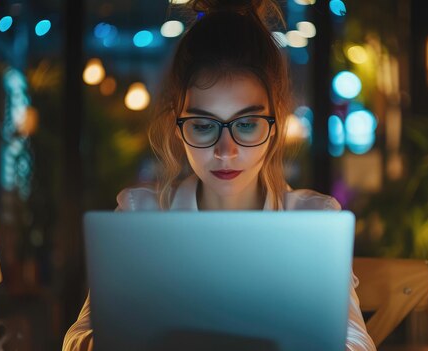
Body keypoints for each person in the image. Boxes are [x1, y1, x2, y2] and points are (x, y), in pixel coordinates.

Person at [63, 0, 376, 350]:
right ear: (176, 126)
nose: (225, 151)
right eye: (202, 126)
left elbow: (356, 345)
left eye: (245, 124)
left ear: (275, 124)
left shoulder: (314, 220)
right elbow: (78, 339)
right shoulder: (141, 215)